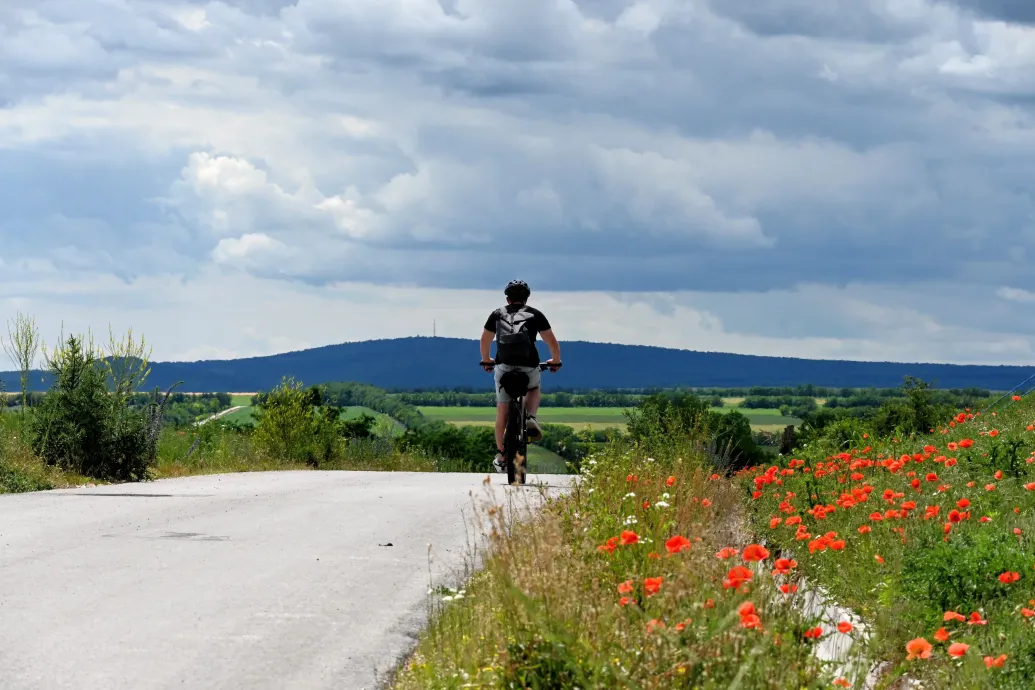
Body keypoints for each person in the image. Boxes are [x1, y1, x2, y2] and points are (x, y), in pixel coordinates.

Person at [480, 280, 561, 474]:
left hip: (503, 366)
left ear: (507, 298)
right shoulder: (535, 314)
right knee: (533, 387)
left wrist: (486, 360)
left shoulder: (497, 313)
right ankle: (530, 417)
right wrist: (555, 360)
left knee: (502, 412)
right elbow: (551, 340)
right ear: (526, 298)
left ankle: (501, 455)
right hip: (528, 365)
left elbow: (485, 339)